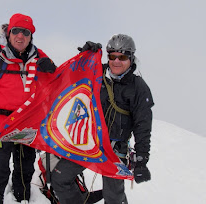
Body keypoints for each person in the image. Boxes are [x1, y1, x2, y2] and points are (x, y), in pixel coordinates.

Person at [51, 35, 154, 204]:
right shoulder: (95, 72)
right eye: (112, 56)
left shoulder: (138, 88)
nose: (116, 61)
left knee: (113, 197)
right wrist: (85, 57)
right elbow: (70, 78)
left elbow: (142, 126)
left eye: (122, 57)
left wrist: (141, 161)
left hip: (115, 150)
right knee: (60, 179)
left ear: (131, 58)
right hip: (88, 143)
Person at [0, 13, 56, 204]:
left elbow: (58, 85)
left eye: (25, 32)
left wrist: (52, 68)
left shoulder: (39, 56)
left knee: (25, 167)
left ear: (30, 36)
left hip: (28, 123)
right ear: (9, 32)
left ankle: (22, 200)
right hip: (1, 123)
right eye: (16, 31)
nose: (20, 36)